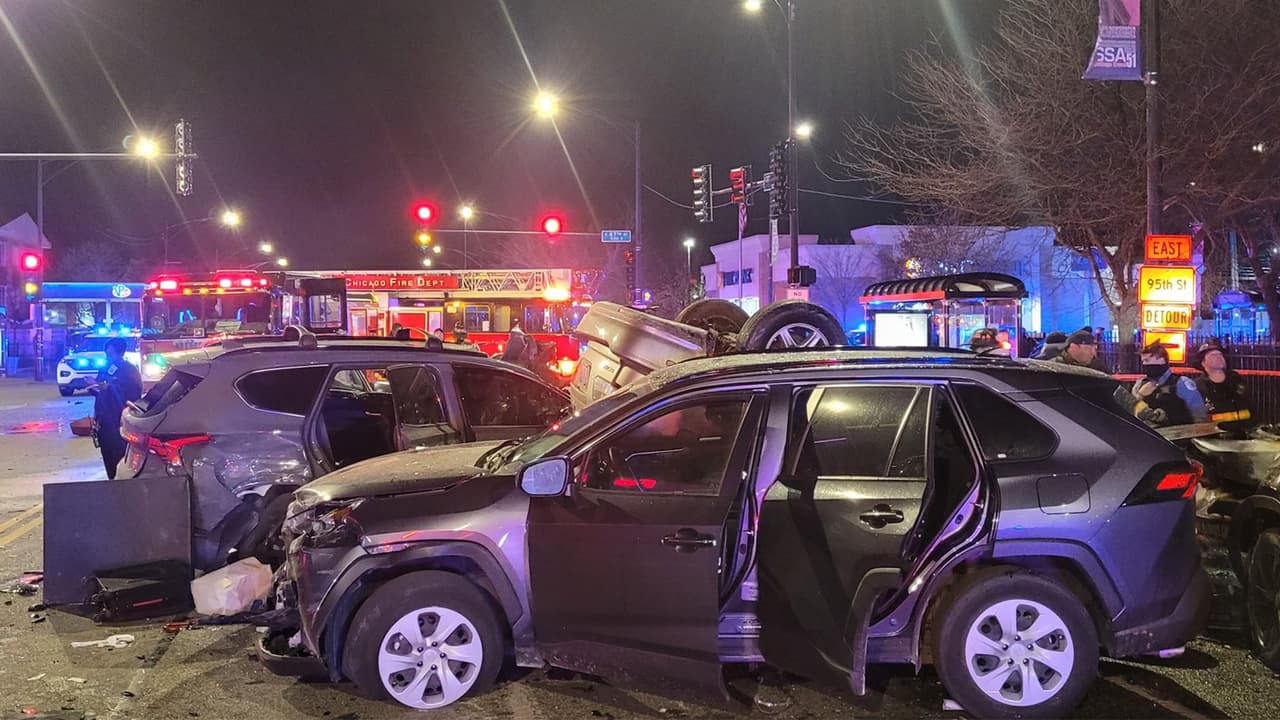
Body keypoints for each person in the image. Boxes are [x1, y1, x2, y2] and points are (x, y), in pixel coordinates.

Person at [87, 337, 143, 479]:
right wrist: (93, 386)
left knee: (120, 456)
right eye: (107, 354)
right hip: (104, 421)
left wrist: (109, 388)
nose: (108, 357)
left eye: (110, 354)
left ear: (120, 353)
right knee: (108, 455)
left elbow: (132, 393)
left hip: (119, 420)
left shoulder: (129, 370)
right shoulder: (105, 368)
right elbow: (98, 390)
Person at [1130, 342, 1209, 428]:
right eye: (1143, 361)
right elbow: (1131, 414)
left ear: (1162, 360)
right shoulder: (1140, 384)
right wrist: (1140, 395)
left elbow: (1199, 415)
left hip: (1179, 437)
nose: (1144, 364)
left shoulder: (1181, 384)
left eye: (1147, 360)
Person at [1194, 340, 1253, 433]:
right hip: (1216, 438)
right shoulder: (1199, 386)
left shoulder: (1236, 379)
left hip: (1245, 434)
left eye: (1220, 354)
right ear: (1203, 363)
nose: (1219, 357)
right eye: (1213, 355)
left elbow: (1250, 404)